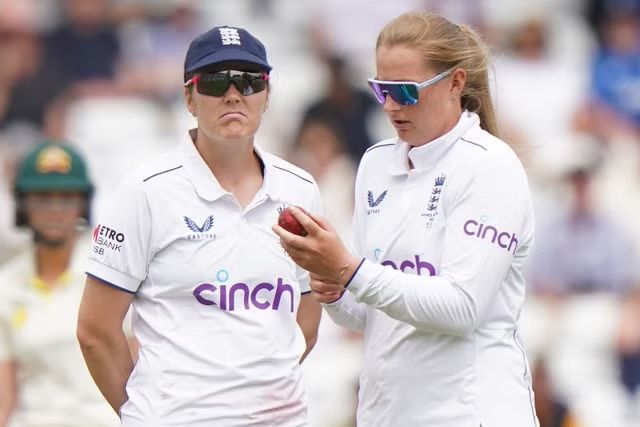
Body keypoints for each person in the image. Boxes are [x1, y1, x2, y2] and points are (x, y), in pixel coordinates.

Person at [274, 12, 538, 427]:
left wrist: (348, 269)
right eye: (381, 90)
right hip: (389, 412)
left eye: (406, 91)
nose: (392, 106)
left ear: (456, 83)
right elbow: (371, 314)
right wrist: (331, 287)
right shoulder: (376, 163)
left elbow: (460, 308)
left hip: (470, 412)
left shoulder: (490, 166)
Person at [77, 25, 322, 427]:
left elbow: (305, 321)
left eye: (247, 81)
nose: (232, 94)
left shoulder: (301, 188)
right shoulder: (146, 191)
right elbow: (95, 332)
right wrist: (144, 414)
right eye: (214, 81)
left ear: (267, 94)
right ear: (189, 98)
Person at [0, 141, 128, 427]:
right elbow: (3, 399)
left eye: (67, 197)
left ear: (82, 204)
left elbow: (139, 374)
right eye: (42, 198)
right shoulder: (6, 287)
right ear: (23, 205)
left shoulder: (110, 273)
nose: (55, 209)